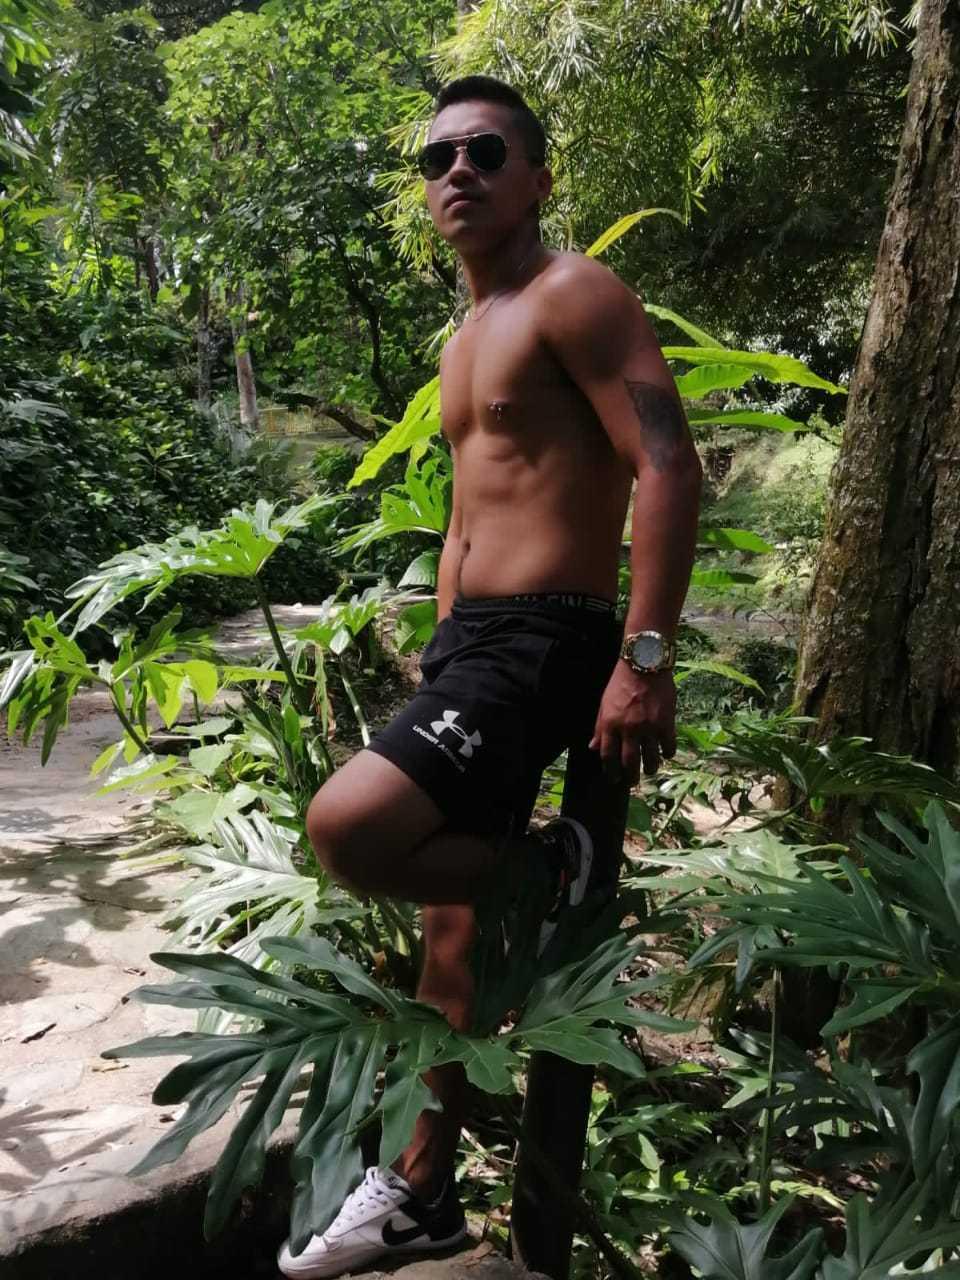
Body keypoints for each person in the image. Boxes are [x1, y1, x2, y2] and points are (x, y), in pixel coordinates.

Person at [278, 74, 702, 1279]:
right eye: (437, 159)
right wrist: (442, 632)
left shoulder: (573, 293)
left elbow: (669, 465)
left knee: (350, 827)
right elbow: (472, 512)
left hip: (549, 636)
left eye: (485, 151)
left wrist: (646, 655)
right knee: (449, 927)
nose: (456, 171)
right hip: (474, 649)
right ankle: (422, 1192)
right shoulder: (467, 337)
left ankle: (548, 867)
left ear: (538, 178)